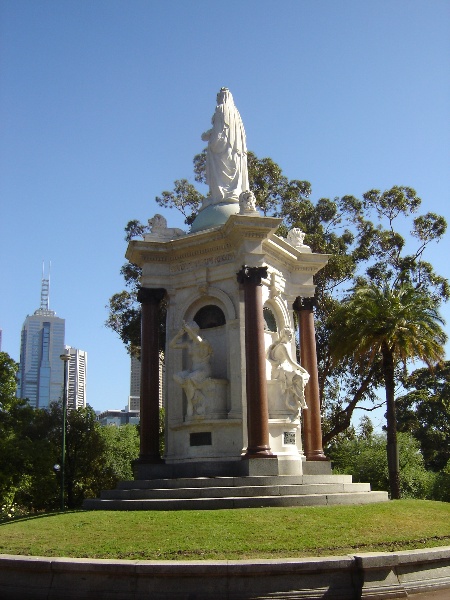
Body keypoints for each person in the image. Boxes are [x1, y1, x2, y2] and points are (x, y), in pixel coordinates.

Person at [201, 88, 249, 205]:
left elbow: (218, 132)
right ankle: (235, 192)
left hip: (223, 149)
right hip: (235, 150)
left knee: (221, 174)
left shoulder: (221, 108)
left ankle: (220, 195)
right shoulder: (236, 113)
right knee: (233, 168)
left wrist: (210, 139)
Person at [170, 321, 213, 417]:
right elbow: (172, 345)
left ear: (194, 331)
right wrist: (178, 335)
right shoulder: (189, 344)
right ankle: (196, 396)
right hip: (193, 371)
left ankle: (190, 403)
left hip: (204, 370)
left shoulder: (204, 342)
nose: (188, 334)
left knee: (189, 379)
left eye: (189, 332)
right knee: (176, 376)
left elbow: (199, 341)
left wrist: (189, 329)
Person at [267, 328, 310, 412]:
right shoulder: (283, 346)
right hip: (279, 371)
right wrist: (303, 370)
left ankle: (298, 397)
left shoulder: (283, 345)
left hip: (283, 369)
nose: (291, 337)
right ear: (284, 335)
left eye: (291, 335)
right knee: (299, 377)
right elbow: (291, 362)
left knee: (299, 376)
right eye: (289, 335)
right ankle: (301, 398)